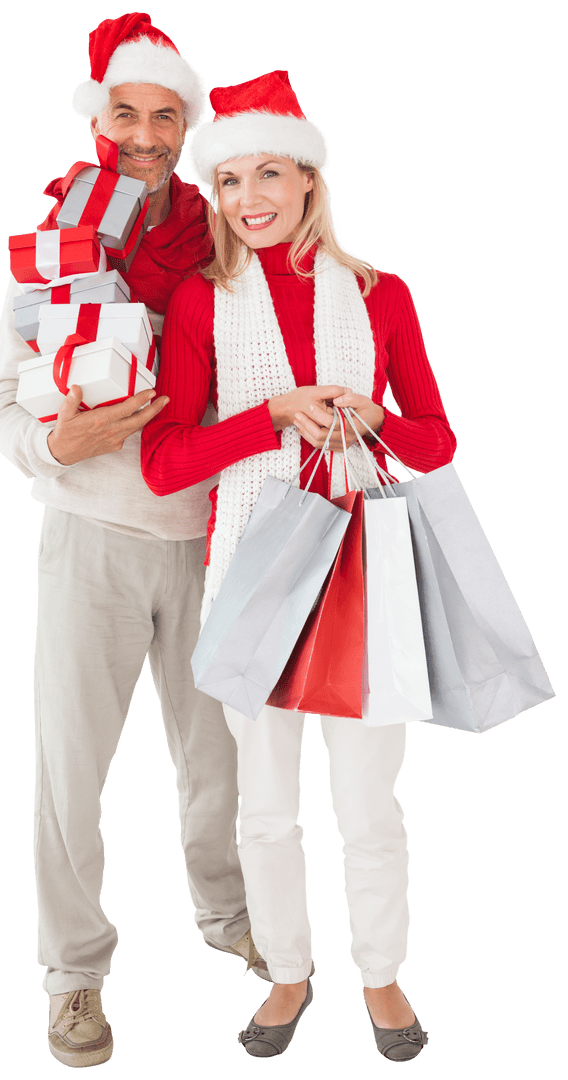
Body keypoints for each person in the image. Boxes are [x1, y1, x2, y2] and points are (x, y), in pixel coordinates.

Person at [141, 68, 457, 1061]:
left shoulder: (378, 294)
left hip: (363, 570)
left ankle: (381, 971)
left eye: (267, 173)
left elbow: (437, 440)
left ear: (311, 178)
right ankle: (287, 972)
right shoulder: (199, 303)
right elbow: (164, 464)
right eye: (227, 182)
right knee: (266, 802)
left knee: (367, 798)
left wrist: (375, 417)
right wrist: (272, 414)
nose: (248, 201)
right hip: (251, 570)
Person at [0, 13, 263, 1071]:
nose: (144, 133)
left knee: (218, 763)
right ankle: (75, 977)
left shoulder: (231, 237)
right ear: (99, 118)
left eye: (165, 115)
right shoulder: (55, 245)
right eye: (125, 112)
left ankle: (229, 916)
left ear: (188, 126)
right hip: (91, 537)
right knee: (69, 770)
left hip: (210, 538)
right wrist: (58, 442)